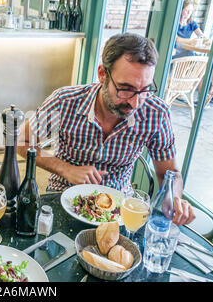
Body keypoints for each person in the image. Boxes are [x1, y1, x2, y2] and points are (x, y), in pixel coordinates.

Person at [18, 33, 195, 226]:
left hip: (120, 211)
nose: (136, 103)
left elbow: (169, 174)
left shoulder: (157, 113)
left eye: (144, 90)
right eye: (125, 88)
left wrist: (175, 198)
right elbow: (21, 142)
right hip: (64, 199)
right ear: (102, 74)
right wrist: (66, 169)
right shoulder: (65, 101)